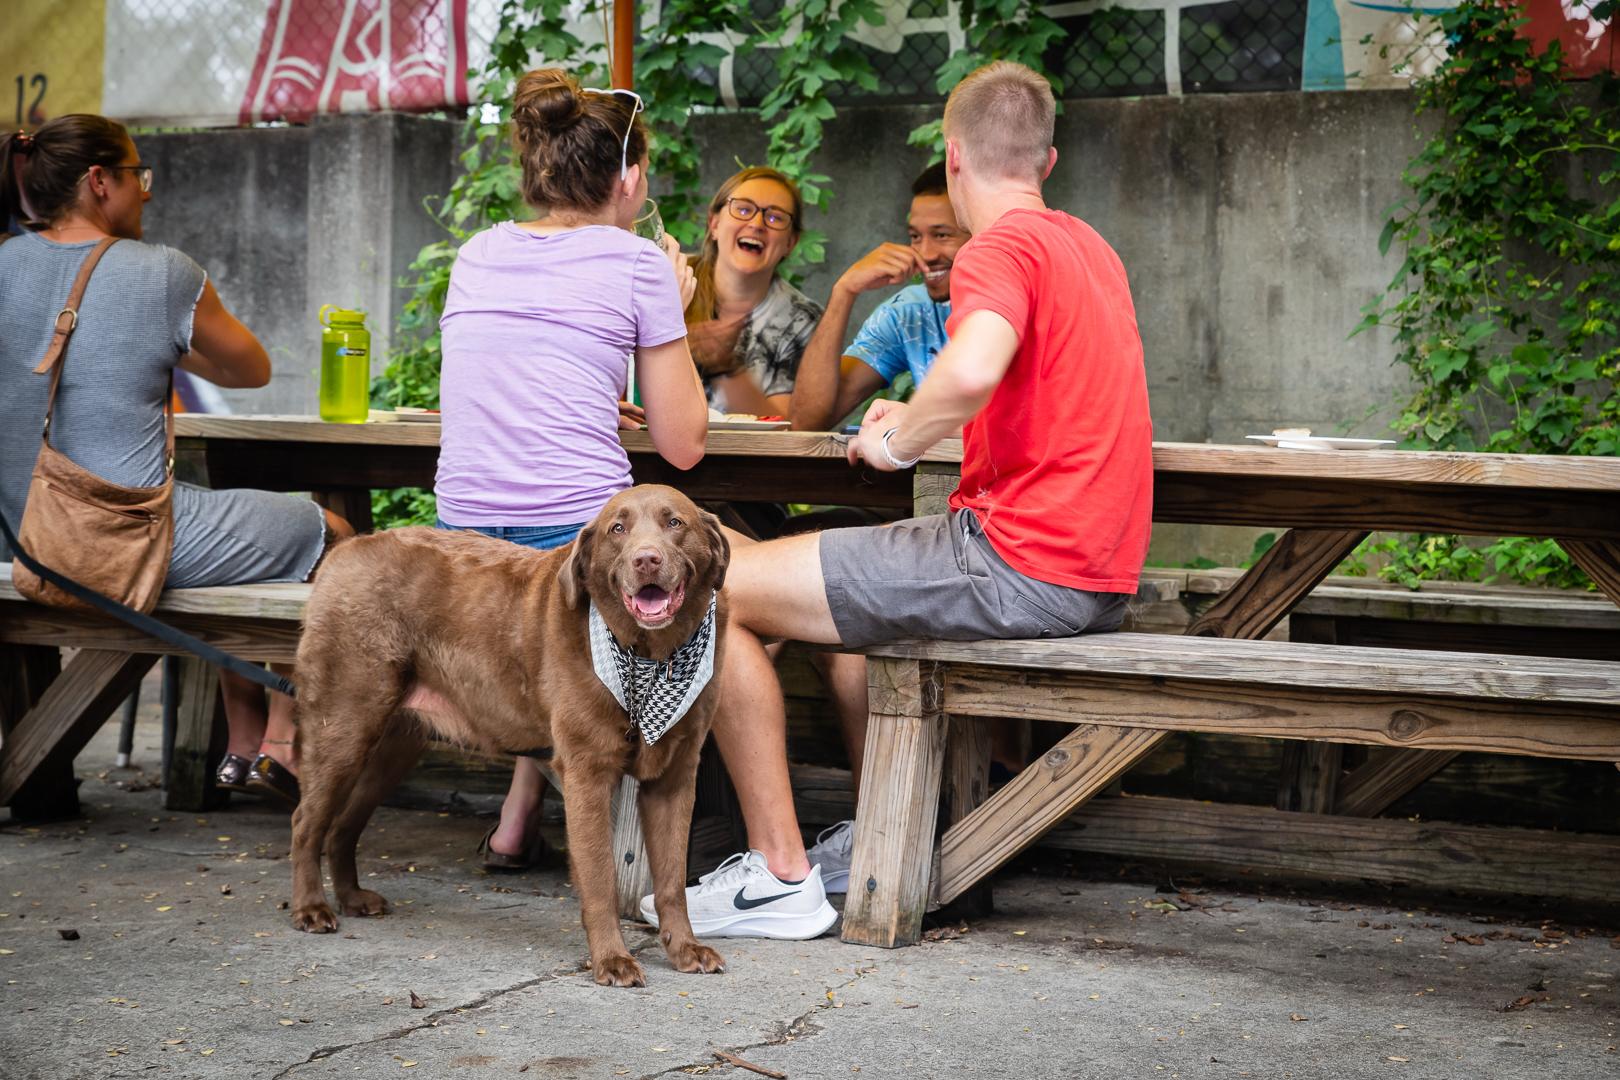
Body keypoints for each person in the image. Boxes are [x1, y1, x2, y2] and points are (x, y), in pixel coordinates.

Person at [640, 60, 1153, 938]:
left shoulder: (1000, 246)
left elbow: (975, 363)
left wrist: (894, 438)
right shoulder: (1089, 246)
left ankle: (778, 873)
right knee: (754, 574)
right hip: (1092, 571)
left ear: (953, 157)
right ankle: (865, 836)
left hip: (1012, 562)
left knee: (709, 592)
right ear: (1049, 159)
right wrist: (916, 417)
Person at [0, 114, 354, 806]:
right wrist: (161, 340)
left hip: (12, 534)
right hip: (110, 539)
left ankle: (243, 731)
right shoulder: (162, 272)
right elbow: (250, 369)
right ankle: (283, 735)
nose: (148, 193)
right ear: (100, 182)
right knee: (331, 537)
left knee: (235, 520)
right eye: (139, 176)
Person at [432, 69, 709, 869]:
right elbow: (685, 444)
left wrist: (596, 400)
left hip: (465, 544)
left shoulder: (479, 251)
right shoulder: (638, 265)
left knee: (550, 621)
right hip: (571, 552)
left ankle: (517, 819)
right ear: (628, 180)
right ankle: (721, 855)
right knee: (722, 602)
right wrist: (675, 310)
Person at [788, 161, 965, 433]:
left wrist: (912, 420)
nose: (926, 253)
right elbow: (807, 422)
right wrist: (844, 291)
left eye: (941, 235)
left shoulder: (1021, 298)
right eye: (916, 237)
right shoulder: (909, 311)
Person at [684, 167, 822, 417]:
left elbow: (782, 430)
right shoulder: (670, 280)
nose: (757, 224)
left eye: (775, 217)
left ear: (790, 243)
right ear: (714, 224)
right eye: (744, 209)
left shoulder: (802, 319)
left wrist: (727, 369)